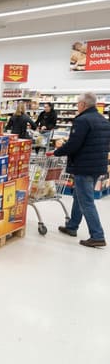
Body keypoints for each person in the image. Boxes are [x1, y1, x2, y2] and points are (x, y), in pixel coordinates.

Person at [54, 92, 110, 248]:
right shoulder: (103, 120)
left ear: (83, 105)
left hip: (84, 166)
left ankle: (98, 235)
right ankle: (72, 226)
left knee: (86, 201)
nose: (77, 106)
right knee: (79, 197)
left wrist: (57, 151)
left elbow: (74, 144)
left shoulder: (82, 120)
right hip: (97, 165)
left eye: (78, 103)